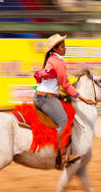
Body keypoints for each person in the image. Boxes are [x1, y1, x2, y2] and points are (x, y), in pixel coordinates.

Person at [33, 34, 94, 167]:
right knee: (64, 121)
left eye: (64, 45)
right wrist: (83, 98)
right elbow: (65, 85)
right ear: (55, 49)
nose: (65, 48)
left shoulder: (52, 59)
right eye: (62, 46)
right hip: (46, 98)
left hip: (43, 96)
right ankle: (64, 155)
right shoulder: (57, 62)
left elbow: (57, 84)